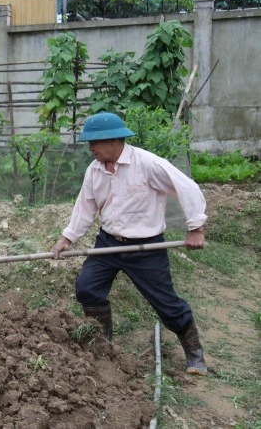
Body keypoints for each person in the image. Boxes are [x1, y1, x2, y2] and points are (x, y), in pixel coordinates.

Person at [51, 112, 208, 376]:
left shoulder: (147, 164)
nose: (90, 149)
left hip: (146, 248)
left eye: (94, 143)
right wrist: (67, 238)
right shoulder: (95, 170)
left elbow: (188, 188)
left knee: (167, 305)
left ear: (113, 140)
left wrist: (196, 228)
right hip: (108, 243)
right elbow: (85, 207)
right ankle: (103, 348)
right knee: (87, 289)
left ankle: (195, 354)